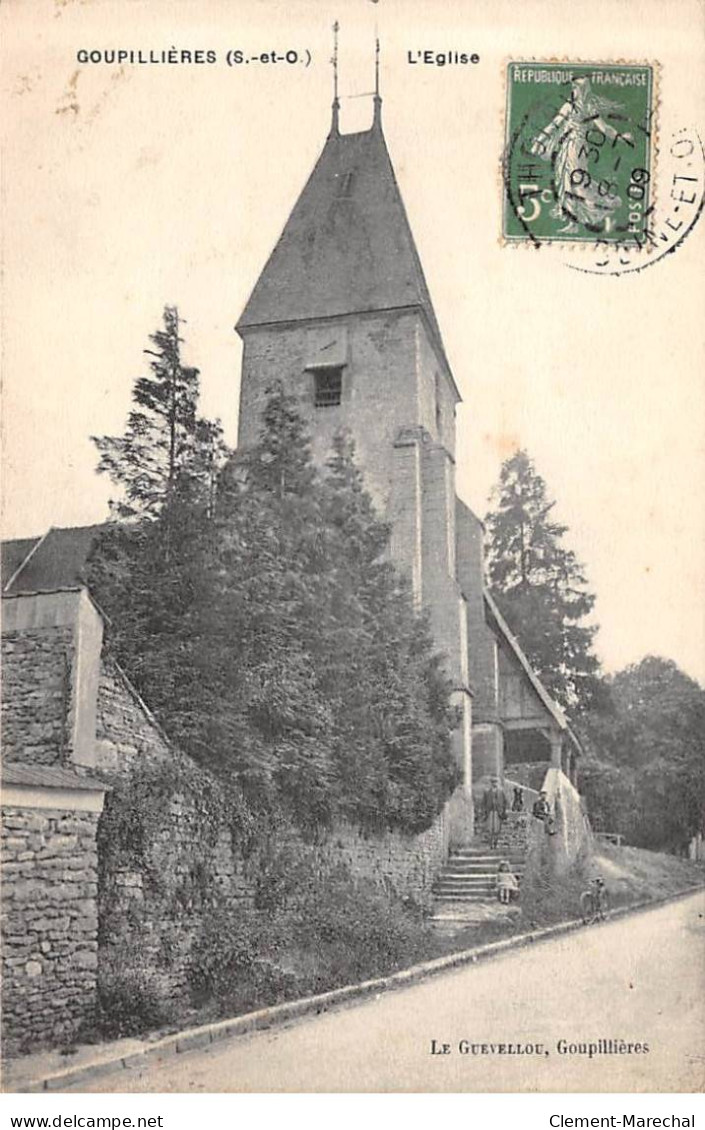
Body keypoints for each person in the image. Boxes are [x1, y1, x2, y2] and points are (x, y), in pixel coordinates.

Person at [482, 776, 507, 849]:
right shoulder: (487, 792)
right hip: (490, 812)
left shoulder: (501, 792)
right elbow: (483, 803)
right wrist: (484, 811)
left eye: (496, 782)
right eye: (493, 782)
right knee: (490, 829)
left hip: (498, 812)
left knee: (497, 829)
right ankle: (490, 845)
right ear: (491, 783)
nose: (494, 784)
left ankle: (495, 843)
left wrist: (503, 810)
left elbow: (505, 801)